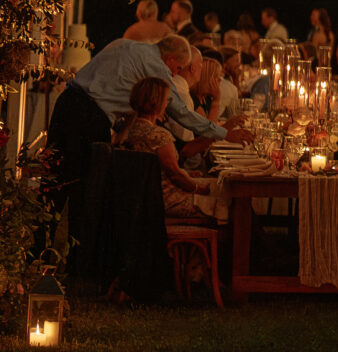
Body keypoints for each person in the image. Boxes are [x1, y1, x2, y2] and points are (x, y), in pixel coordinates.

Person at [73, 33, 232, 146]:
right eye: (177, 68)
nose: (174, 74)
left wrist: (123, 128)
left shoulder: (124, 44)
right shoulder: (157, 65)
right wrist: (226, 134)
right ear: (169, 58)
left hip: (69, 100)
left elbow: (114, 90)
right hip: (88, 116)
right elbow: (181, 112)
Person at [113, 75, 227, 223]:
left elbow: (158, 170)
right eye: (166, 99)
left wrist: (188, 174)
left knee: (216, 186)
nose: (167, 103)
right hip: (166, 200)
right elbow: (175, 175)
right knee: (225, 200)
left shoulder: (129, 130)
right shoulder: (159, 135)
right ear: (156, 102)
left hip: (142, 198)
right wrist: (199, 189)